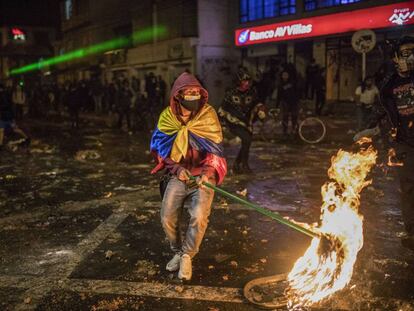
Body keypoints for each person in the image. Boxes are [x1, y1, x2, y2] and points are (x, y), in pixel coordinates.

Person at [150, 72, 227, 280]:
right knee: (166, 216)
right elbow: (161, 150)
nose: (193, 96)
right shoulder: (167, 117)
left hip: (203, 175)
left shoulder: (208, 115)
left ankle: (187, 255)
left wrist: (206, 173)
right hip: (179, 175)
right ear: (178, 95)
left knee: (199, 215)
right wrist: (177, 170)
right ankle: (177, 250)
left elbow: (215, 150)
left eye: (196, 92)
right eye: (188, 92)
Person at [360, 36, 414, 251]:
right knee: (409, 188)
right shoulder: (389, 86)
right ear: (395, 58)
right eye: (405, 53)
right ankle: (412, 232)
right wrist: (367, 129)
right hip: (405, 144)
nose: (410, 57)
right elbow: (382, 110)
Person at [218, 67, 265, 173]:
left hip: (247, 122)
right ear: (239, 81)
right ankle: (244, 165)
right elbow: (223, 108)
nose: (247, 83)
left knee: (246, 142)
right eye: (244, 81)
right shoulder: (231, 93)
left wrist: (261, 111)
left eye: (248, 81)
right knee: (247, 140)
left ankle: (237, 164)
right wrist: (221, 122)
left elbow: (257, 103)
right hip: (234, 122)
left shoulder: (252, 92)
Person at [0, 83, 29, 149]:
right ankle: (0, 144)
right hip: (5, 116)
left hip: (7, 116)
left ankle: (26, 137)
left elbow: (6, 105)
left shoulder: (4, 95)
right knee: (2, 130)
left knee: (14, 129)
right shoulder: (5, 94)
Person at [276, 70, 299, 137]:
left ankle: (294, 129)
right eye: (284, 75)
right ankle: (285, 131)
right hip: (285, 102)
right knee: (285, 117)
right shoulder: (280, 85)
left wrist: (297, 100)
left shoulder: (292, 82)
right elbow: (279, 95)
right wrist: (277, 104)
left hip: (293, 102)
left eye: (286, 75)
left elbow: (297, 91)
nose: (285, 76)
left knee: (294, 116)